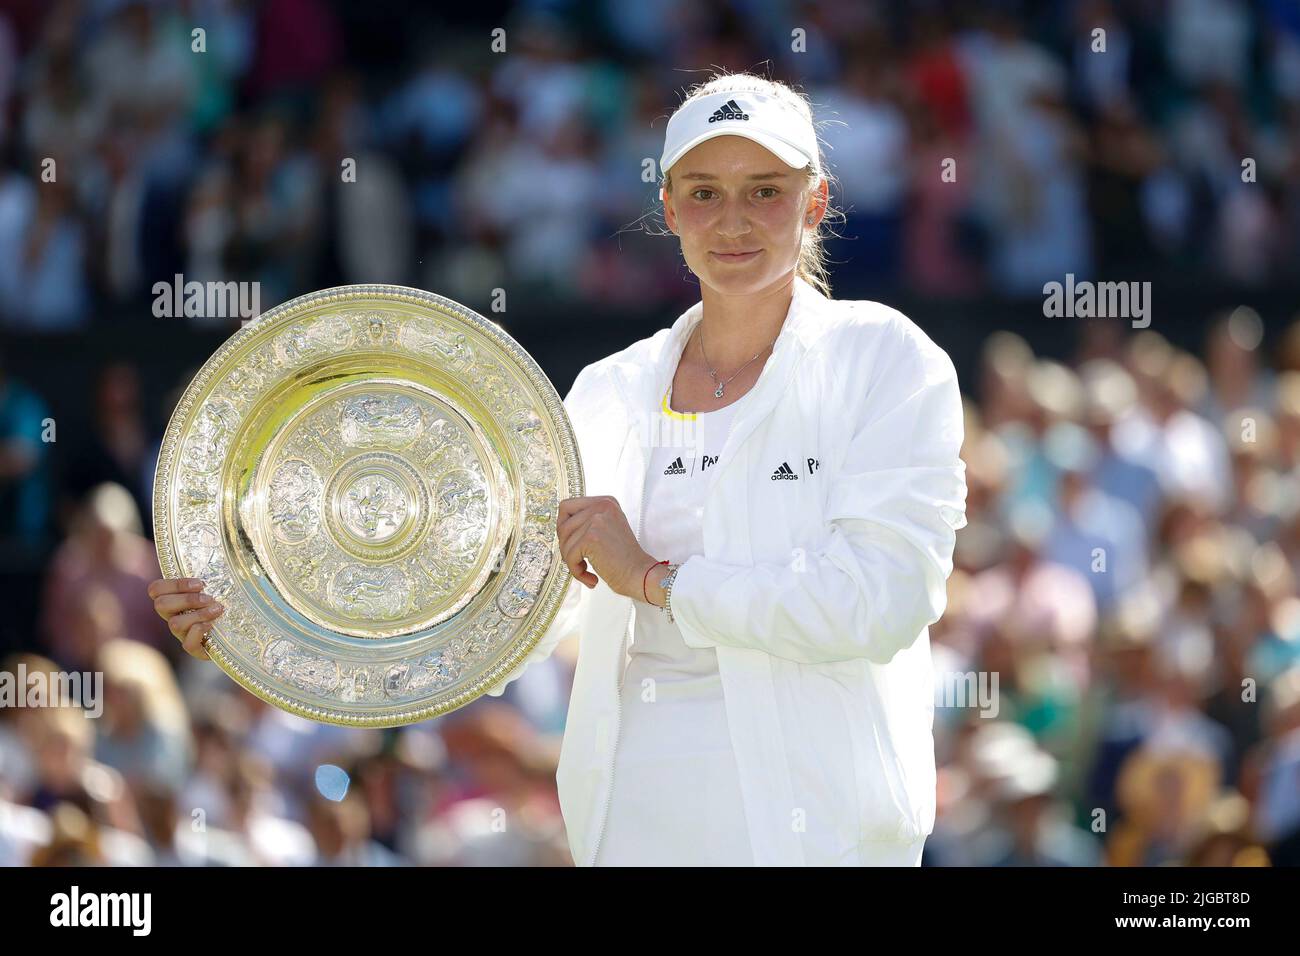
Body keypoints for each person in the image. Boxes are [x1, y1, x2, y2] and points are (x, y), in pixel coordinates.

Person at [149, 71, 968, 866]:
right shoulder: (608, 390)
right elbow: (512, 611)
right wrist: (258, 622)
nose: (734, 221)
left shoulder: (886, 360)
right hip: (633, 825)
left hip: (824, 835)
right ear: (669, 209)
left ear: (815, 201)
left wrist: (656, 581)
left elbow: (882, 600)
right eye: (705, 192)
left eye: (765, 190)